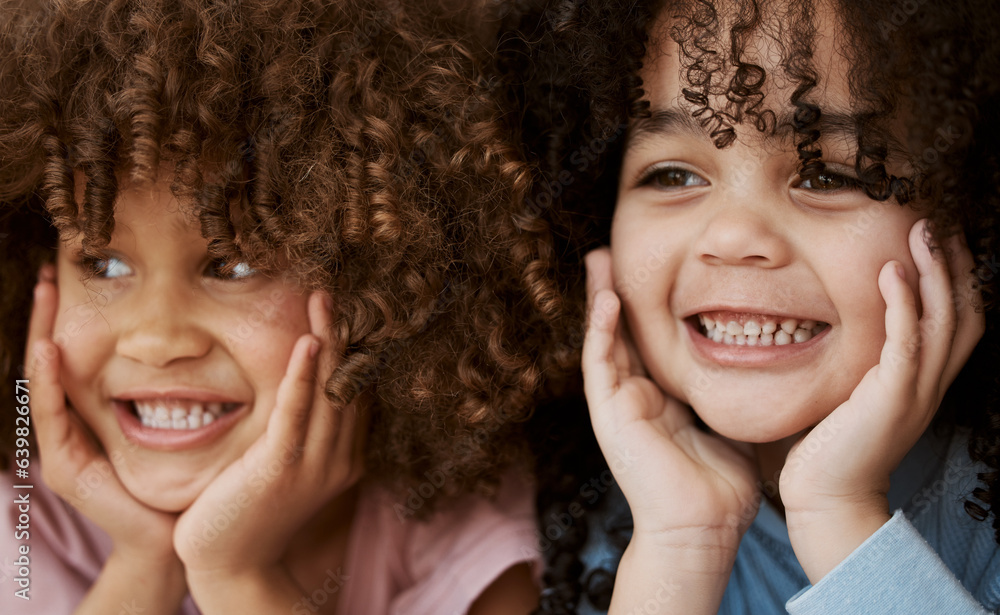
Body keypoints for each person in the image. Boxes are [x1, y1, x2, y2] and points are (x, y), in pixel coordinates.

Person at [0, 0, 573, 612]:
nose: (155, 340)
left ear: (375, 284)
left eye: (232, 265)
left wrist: (238, 573)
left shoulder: (448, 516)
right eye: (104, 265)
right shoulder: (27, 520)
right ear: (40, 281)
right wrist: (145, 563)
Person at [495, 0, 1000, 612]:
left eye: (826, 177)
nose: (731, 237)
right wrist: (681, 546)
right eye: (674, 176)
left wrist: (841, 513)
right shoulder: (593, 529)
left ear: (966, 219)